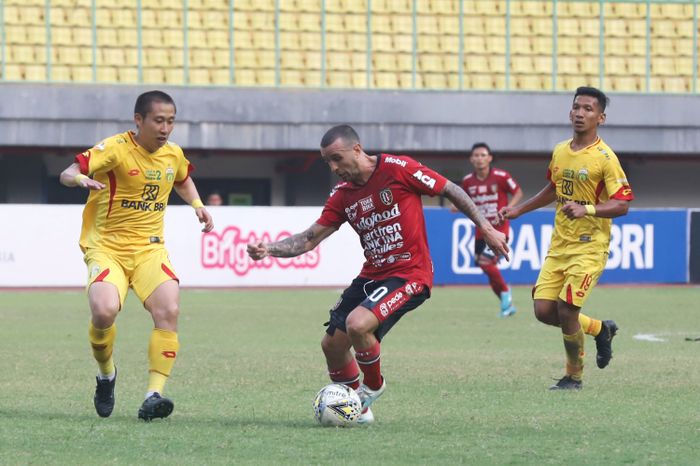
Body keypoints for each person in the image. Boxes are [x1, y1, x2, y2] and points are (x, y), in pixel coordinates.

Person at [247, 125, 509, 423]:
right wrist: (269, 249)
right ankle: (360, 413)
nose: (333, 168)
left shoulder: (398, 169)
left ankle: (372, 387)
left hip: (410, 273)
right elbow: (309, 238)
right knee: (331, 346)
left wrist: (485, 228)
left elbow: (450, 189)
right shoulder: (343, 195)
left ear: (356, 149)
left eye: (336, 158)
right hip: (372, 275)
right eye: (327, 162)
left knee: (357, 324)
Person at [59, 90, 214, 420]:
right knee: (104, 312)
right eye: (158, 120)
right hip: (107, 247)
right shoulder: (114, 149)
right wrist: (80, 179)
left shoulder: (172, 154)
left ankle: (153, 395)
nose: (165, 128)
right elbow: (68, 172)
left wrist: (198, 205)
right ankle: (106, 375)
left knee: (169, 308)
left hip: (149, 249)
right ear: (139, 120)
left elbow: (182, 178)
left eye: (171, 121)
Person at [498, 86, 634, 390]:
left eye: (588, 109)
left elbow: (622, 204)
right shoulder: (560, 150)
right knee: (544, 311)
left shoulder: (605, 158)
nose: (580, 113)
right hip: (559, 245)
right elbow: (553, 188)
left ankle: (573, 375)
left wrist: (587, 209)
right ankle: (601, 329)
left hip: (590, 247)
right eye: (576, 107)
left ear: (601, 117)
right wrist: (520, 210)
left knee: (568, 309)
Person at [458, 142, 523, 317]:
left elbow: (518, 192)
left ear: (489, 158)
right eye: (476, 156)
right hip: (481, 231)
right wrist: (456, 206)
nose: (480, 159)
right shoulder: (467, 181)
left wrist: (509, 208)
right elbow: (461, 199)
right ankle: (506, 304)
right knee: (484, 265)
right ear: (472, 159)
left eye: (483, 155)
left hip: (499, 231)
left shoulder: (501, 176)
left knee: (486, 262)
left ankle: (505, 293)